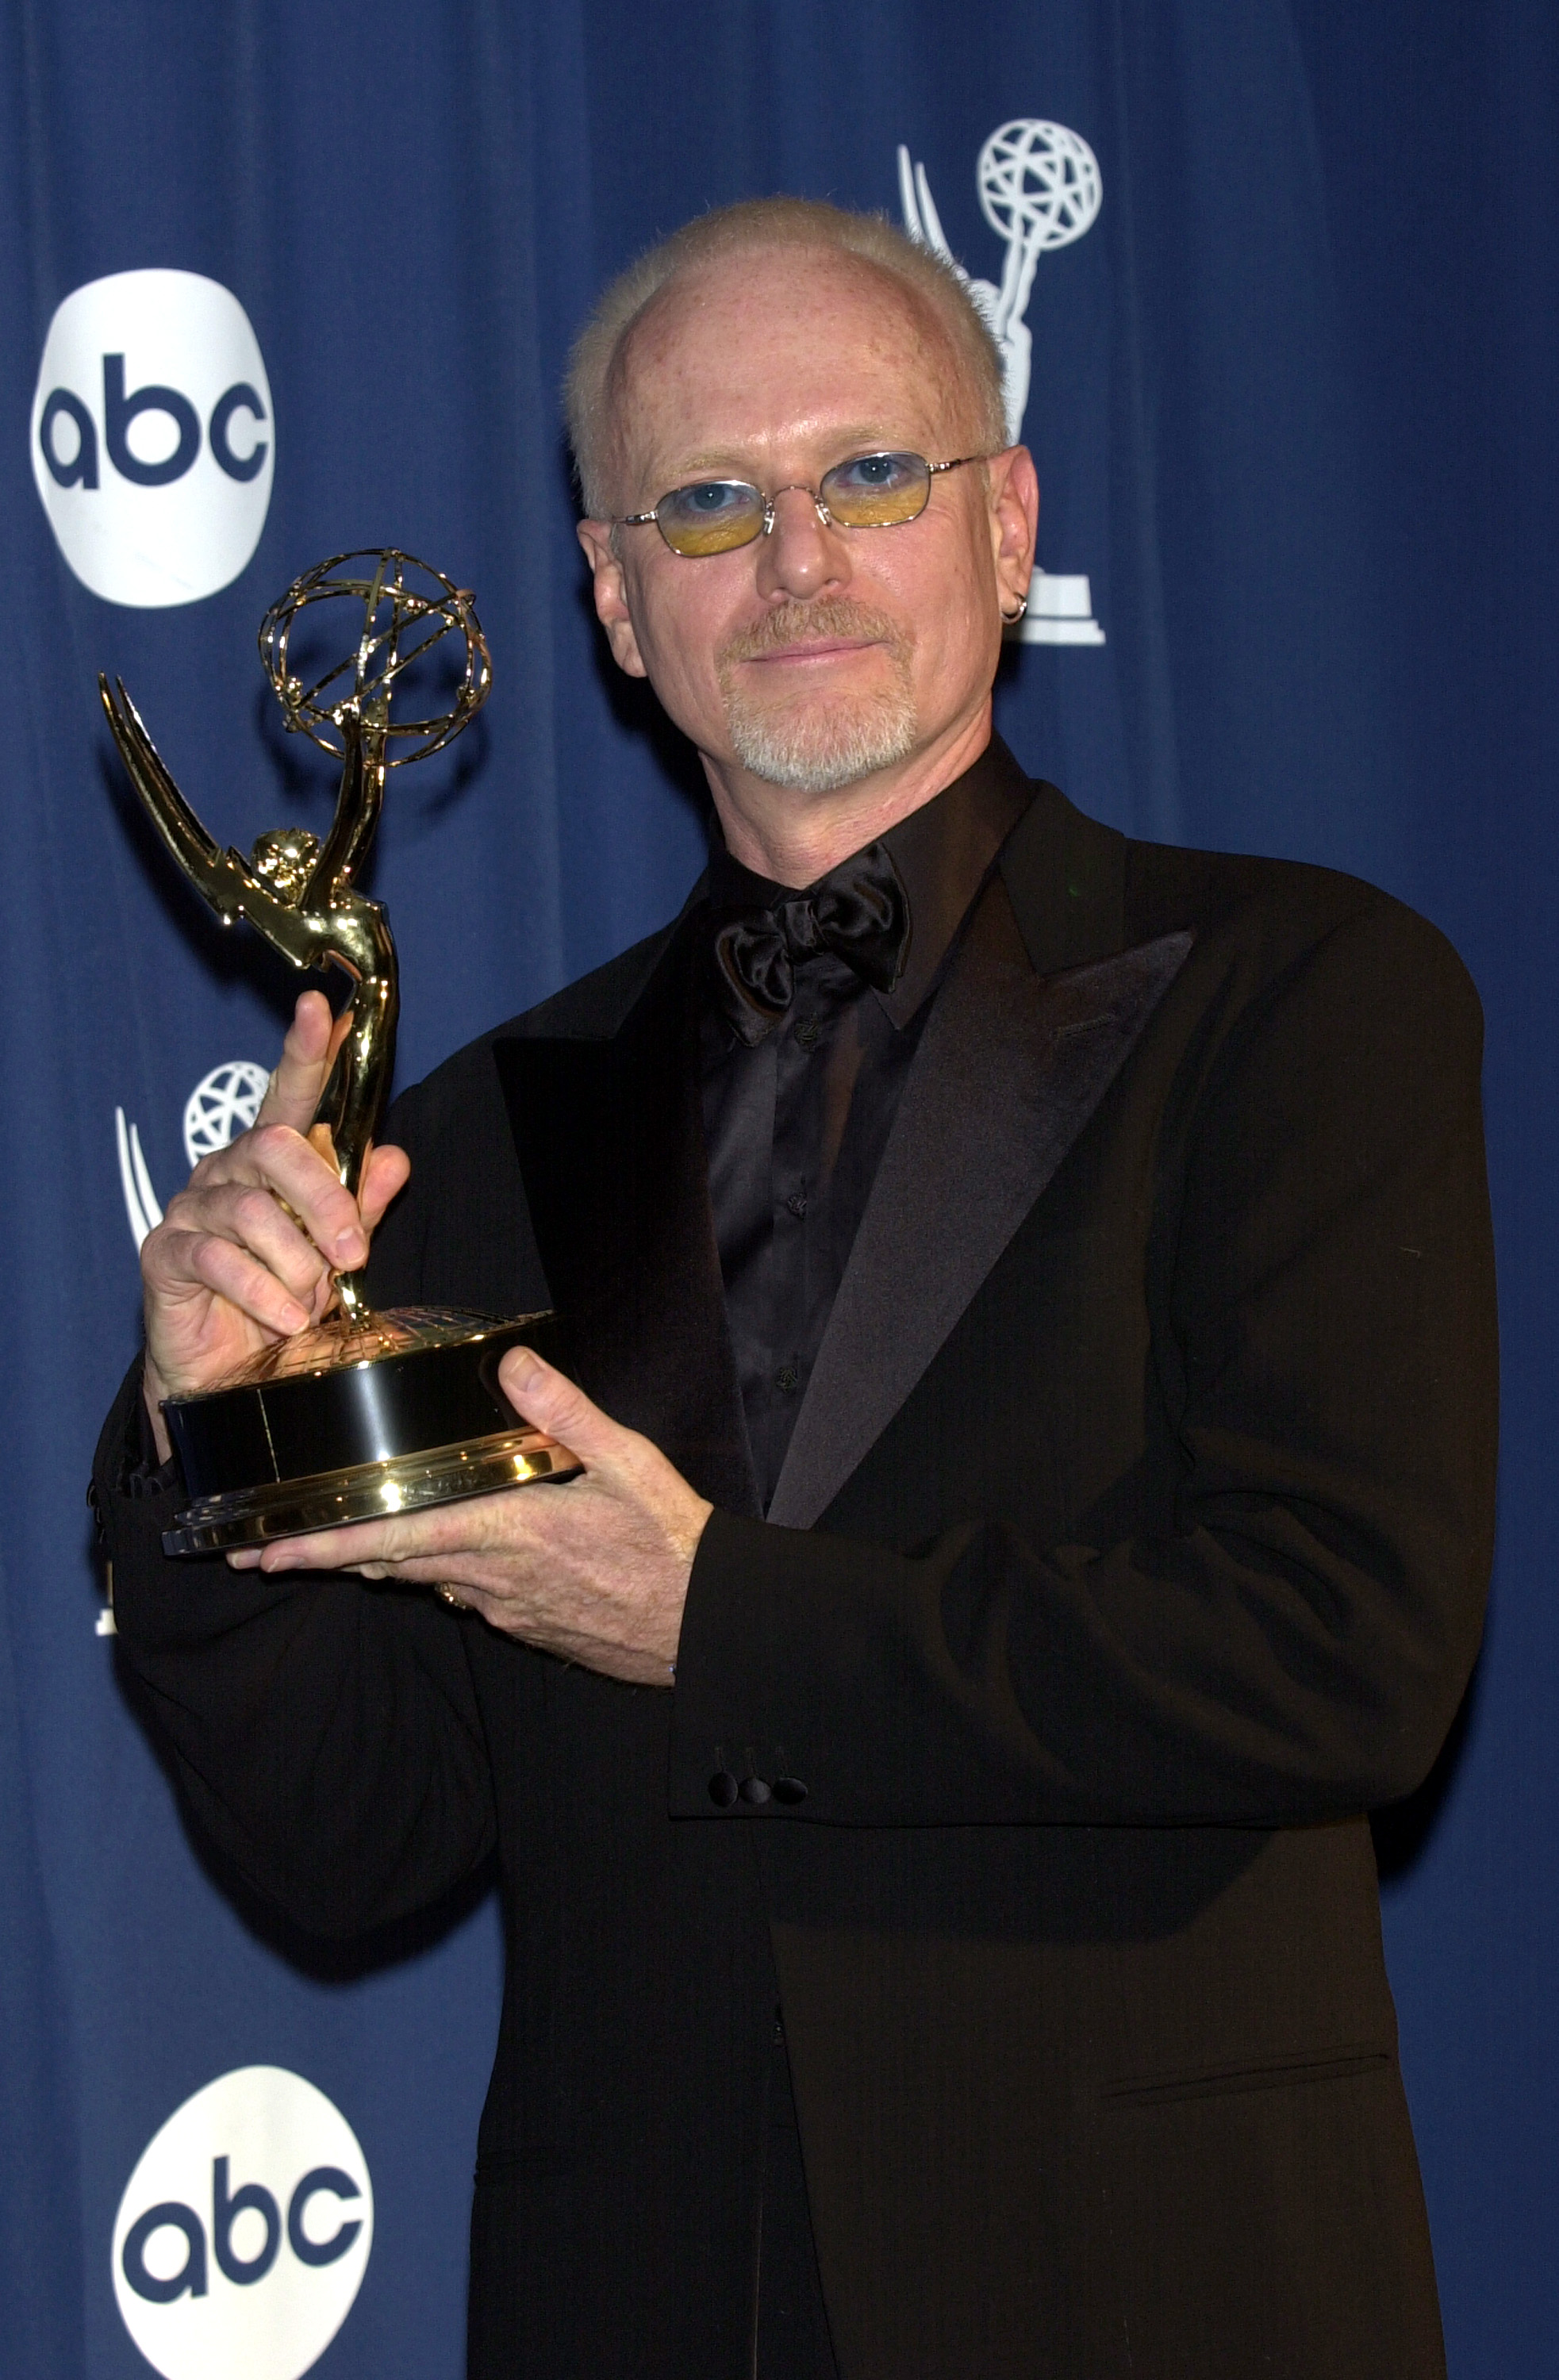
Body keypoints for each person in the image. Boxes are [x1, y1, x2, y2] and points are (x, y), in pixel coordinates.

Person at [94, 197, 1497, 2380]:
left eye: (868, 474)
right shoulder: (462, 1133)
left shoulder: (1302, 999)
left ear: (1007, 522)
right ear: (617, 604)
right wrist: (206, 1436)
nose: (798, 559)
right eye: (712, 502)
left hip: (1166, 2293)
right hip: (650, 2301)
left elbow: (1344, 1655)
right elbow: (359, 1842)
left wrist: (713, 1620)